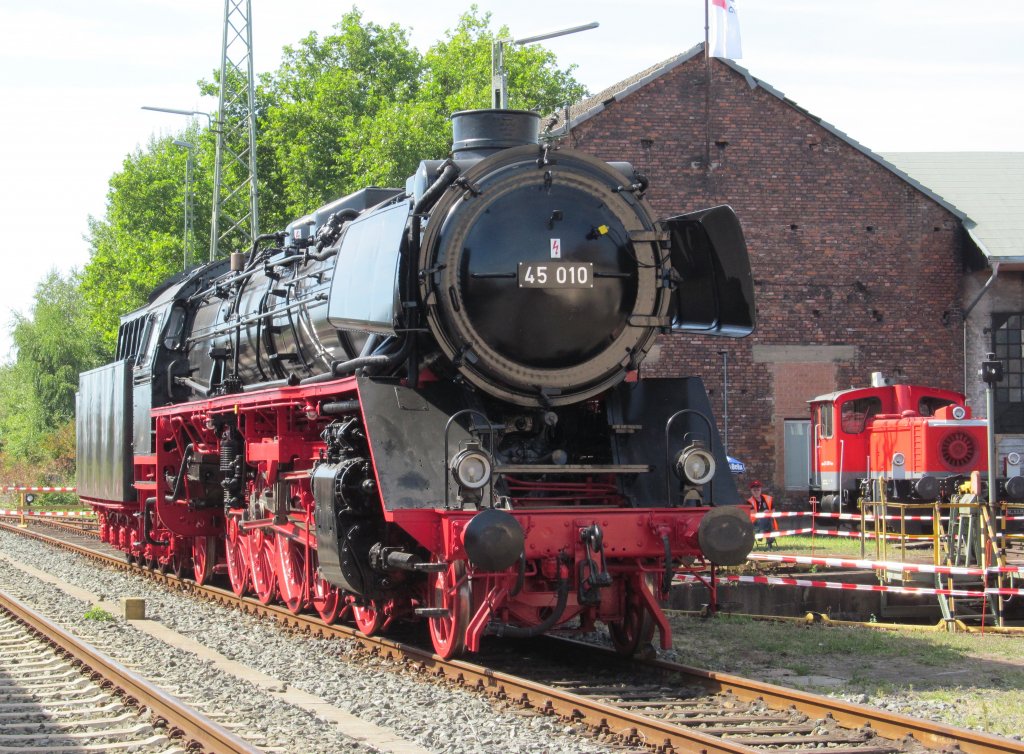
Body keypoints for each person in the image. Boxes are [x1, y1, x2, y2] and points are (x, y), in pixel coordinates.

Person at [747, 480, 777, 549]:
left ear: (761, 490)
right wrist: (763, 514)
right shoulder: (749, 502)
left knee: (768, 519)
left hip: (768, 521)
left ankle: (762, 532)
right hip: (755, 523)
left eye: (758, 489)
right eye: (754, 490)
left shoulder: (768, 499)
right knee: (766, 519)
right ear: (751, 491)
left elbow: (773, 511)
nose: (756, 491)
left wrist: (767, 513)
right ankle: (769, 539)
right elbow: (752, 515)